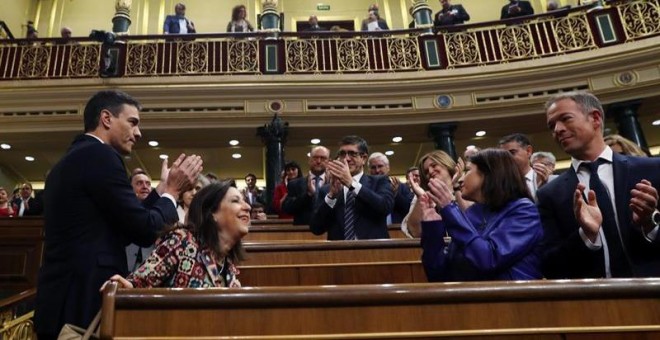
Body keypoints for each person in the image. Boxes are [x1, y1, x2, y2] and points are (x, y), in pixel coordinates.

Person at [34, 90, 203, 340]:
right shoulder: (100, 156)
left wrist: (159, 192)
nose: (138, 133)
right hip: (82, 300)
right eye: (132, 122)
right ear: (106, 118)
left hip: (58, 298)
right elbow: (144, 231)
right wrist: (173, 192)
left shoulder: (70, 159)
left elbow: (121, 226)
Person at [538, 91, 660, 279]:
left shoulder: (650, 170)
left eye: (565, 119)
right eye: (552, 125)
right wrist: (586, 235)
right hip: (594, 301)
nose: (557, 129)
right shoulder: (550, 194)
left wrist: (649, 223)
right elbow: (550, 265)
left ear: (595, 118)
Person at [421, 148, 543, 281]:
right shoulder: (472, 212)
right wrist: (432, 227)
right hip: (470, 298)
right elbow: (437, 275)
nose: (461, 179)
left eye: (468, 171)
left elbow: (489, 259)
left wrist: (449, 208)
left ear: (488, 173)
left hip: (510, 299)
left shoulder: (523, 211)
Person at [104, 180, 250, 288]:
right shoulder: (183, 241)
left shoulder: (228, 265)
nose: (248, 207)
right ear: (212, 213)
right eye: (236, 201)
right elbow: (137, 285)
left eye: (244, 201)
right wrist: (123, 287)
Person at [310, 136, 394, 240]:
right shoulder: (327, 190)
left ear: (363, 158)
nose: (347, 159)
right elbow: (316, 228)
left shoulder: (379, 181)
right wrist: (331, 197)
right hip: (338, 252)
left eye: (352, 154)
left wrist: (351, 184)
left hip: (373, 251)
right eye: (342, 154)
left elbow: (384, 207)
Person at [401, 150, 466, 238]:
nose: (431, 172)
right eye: (426, 172)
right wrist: (421, 196)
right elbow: (414, 232)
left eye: (434, 165)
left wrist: (455, 186)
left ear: (446, 164)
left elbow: (472, 219)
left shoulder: (464, 186)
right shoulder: (424, 195)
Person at [282, 146, 331, 225]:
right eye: (315, 158)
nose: (318, 161)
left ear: (328, 161)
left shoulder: (335, 184)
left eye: (323, 158)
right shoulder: (295, 184)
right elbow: (288, 209)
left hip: (328, 231)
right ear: (309, 160)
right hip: (302, 231)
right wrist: (308, 195)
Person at [499, 133, 552, 199]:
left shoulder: (550, 180)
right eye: (504, 155)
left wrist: (543, 189)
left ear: (528, 151)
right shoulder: (499, 186)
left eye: (512, 152)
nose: (507, 158)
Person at [368, 152, 412, 224]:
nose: (377, 170)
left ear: (388, 167)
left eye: (380, 166)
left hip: (397, 230)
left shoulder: (401, 187)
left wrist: (396, 194)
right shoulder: (365, 188)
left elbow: (409, 209)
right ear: (369, 170)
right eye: (373, 167)